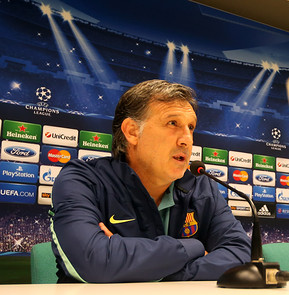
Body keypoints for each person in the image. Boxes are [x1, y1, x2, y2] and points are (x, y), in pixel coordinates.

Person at [50, 79, 251, 282]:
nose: (187, 140)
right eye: (173, 123)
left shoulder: (201, 186)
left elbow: (241, 256)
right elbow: (95, 263)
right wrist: (195, 247)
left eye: (191, 127)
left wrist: (145, 269)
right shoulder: (82, 180)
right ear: (132, 131)